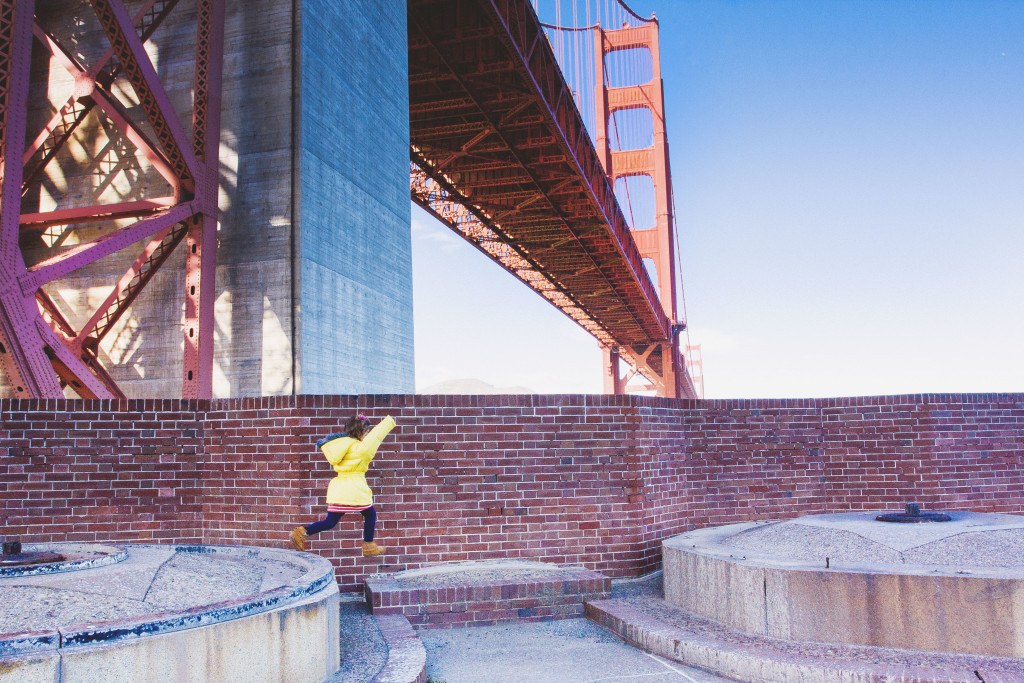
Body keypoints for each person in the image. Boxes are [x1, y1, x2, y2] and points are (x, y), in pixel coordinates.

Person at [290, 414, 396, 557]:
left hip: (339, 488)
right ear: (361, 432)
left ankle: (302, 532)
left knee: (330, 522)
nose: (368, 434)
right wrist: (389, 422)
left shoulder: (340, 445)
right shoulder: (361, 448)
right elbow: (377, 436)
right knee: (370, 514)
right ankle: (369, 546)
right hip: (354, 488)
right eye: (366, 432)